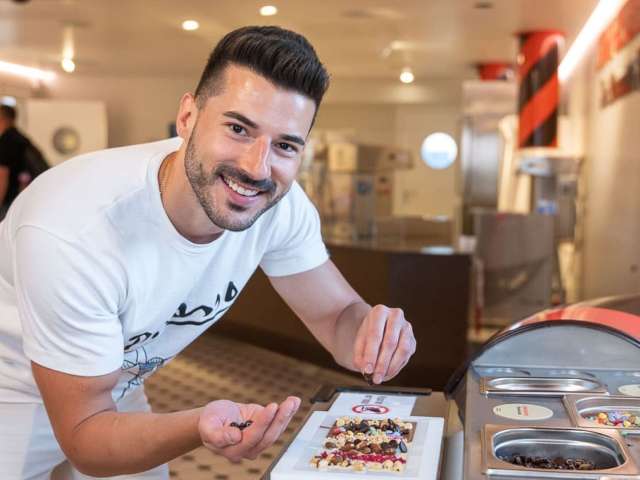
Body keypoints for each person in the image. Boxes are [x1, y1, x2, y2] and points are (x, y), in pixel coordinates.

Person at [0, 26, 416, 479]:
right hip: (12, 390)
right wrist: (198, 425)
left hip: (112, 386)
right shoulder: (76, 228)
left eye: (285, 145)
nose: (257, 167)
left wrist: (375, 337)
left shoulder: (279, 206)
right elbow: (87, 436)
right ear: (187, 117)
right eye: (238, 129)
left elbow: (336, 317)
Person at [0, 104, 47, 219]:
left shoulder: (6, 140)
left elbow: (2, 175)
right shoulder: (21, 138)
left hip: (11, 200)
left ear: (2, 119)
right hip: (26, 197)